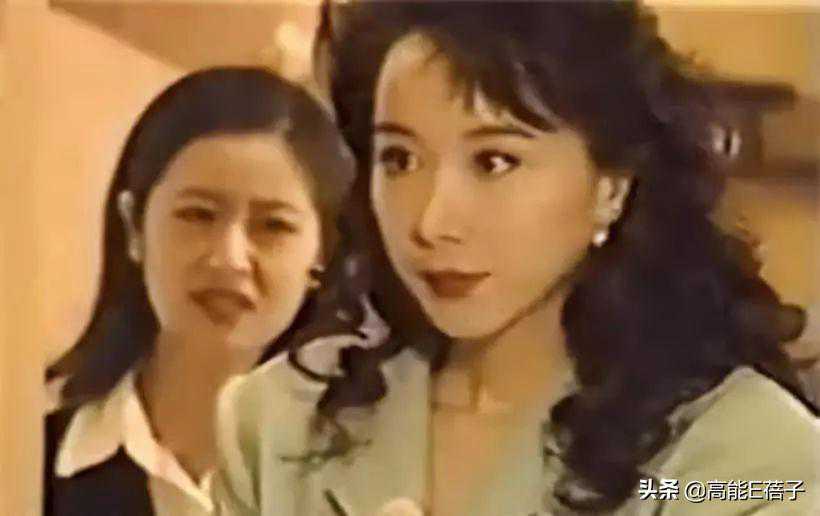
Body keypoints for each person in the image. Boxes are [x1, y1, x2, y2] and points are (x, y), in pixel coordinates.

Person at [214, 3, 819, 515]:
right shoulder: (278, 423)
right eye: (399, 160)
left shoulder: (747, 459)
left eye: (494, 162)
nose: (431, 222)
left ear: (611, 187)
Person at [44, 67, 355, 516]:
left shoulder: (361, 477)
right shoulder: (26, 462)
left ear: (323, 252)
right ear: (134, 227)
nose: (230, 258)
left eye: (273, 226)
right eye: (198, 215)